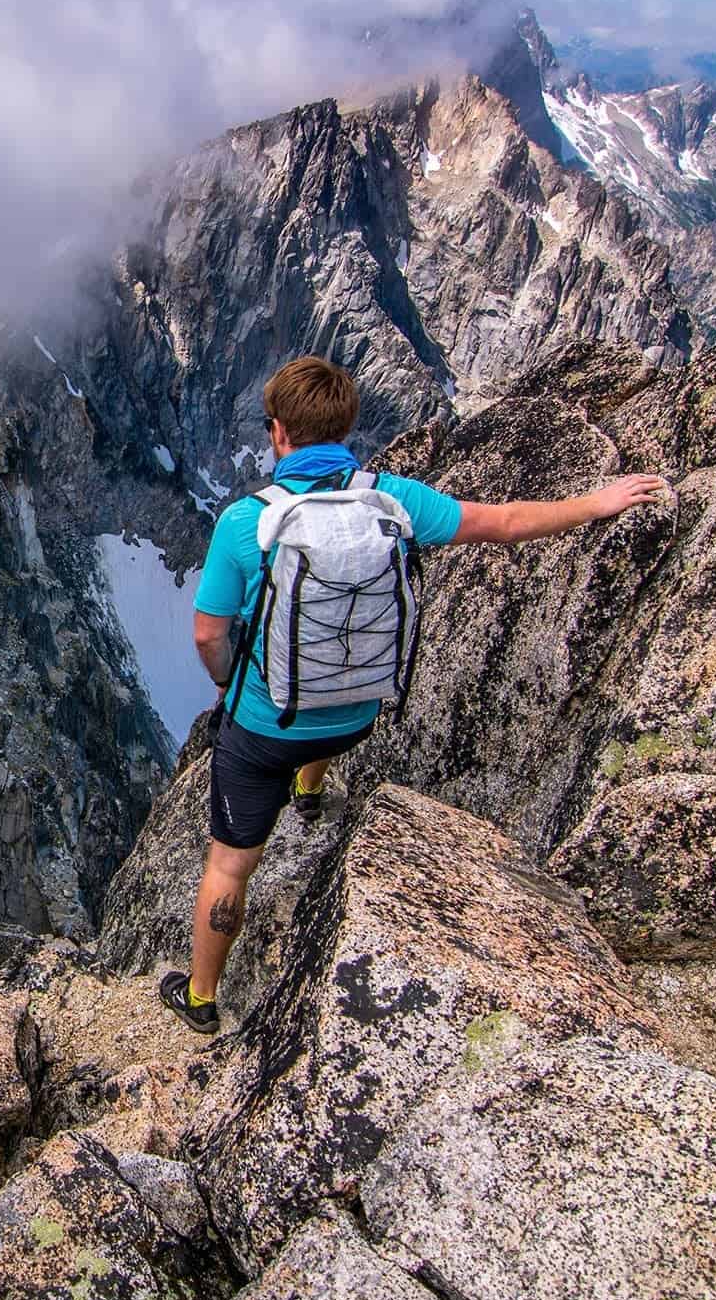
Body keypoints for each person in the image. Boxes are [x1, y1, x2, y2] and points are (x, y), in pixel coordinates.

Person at [158, 356, 671, 1033]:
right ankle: (310, 791)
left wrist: (230, 685)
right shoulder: (395, 501)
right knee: (329, 685)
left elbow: (206, 634)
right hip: (358, 715)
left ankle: (200, 997)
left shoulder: (243, 525)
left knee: (229, 864)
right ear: (349, 427)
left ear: (277, 432)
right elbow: (506, 522)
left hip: (264, 731)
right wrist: (597, 502)